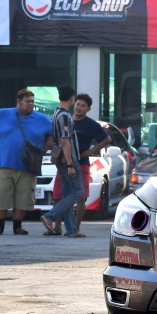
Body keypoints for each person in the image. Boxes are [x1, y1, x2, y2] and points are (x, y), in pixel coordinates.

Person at [0, 89, 53, 235]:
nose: (31, 104)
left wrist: (43, 150)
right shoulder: (3, 114)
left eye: (32, 101)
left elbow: (52, 136)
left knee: (24, 195)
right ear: (19, 101)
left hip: (29, 165)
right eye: (27, 101)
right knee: (1, 193)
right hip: (4, 162)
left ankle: (17, 226)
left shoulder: (42, 119)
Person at [48, 93, 110, 235]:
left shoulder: (91, 124)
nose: (79, 107)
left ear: (88, 109)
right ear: (73, 103)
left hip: (81, 163)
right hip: (63, 163)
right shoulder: (66, 118)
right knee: (58, 195)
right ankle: (57, 227)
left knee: (79, 196)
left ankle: (75, 228)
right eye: (77, 104)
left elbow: (107, 139)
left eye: (83, 106)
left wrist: (91, 151)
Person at [41, 85, 85, 238]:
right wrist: (70, 164)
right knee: (78, 192)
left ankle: (72, 230)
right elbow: (65, 142)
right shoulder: (65, 116)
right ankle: (50, 216)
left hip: (60, 158)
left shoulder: (56, 113)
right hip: (68, 158)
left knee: (67, 193)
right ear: (72, 98)